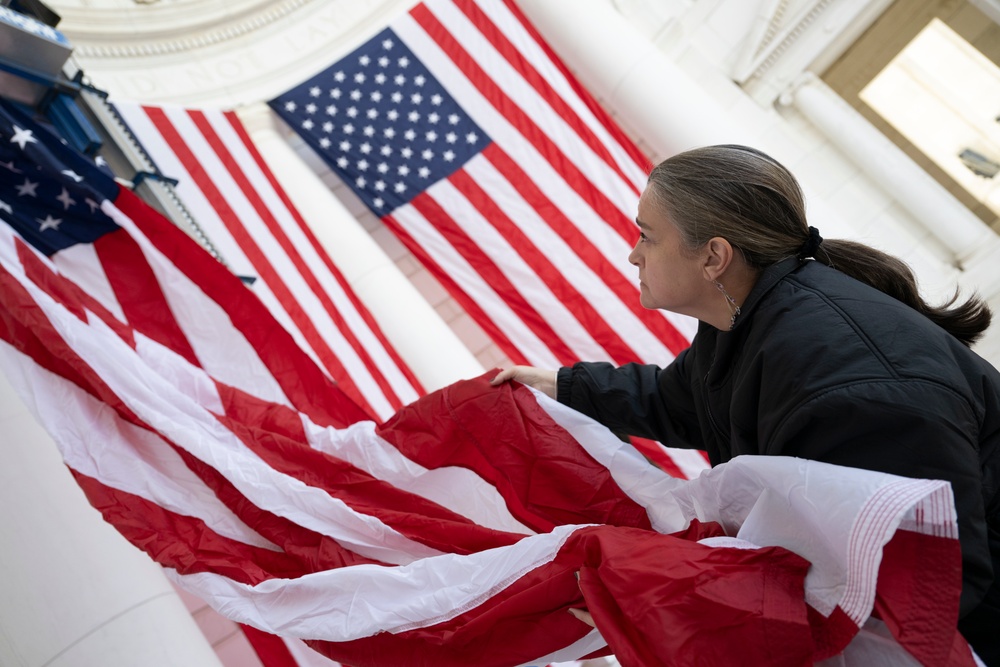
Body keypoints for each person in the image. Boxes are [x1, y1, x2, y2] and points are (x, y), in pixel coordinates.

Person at [490, 144, 1000, 664]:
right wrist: (562, 385)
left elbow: (926, 576)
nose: (633, 253)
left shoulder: (847, 383)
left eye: (646, 234)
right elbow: (681, 402)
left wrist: (682, 610)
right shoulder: (748, 321)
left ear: (714, 256)